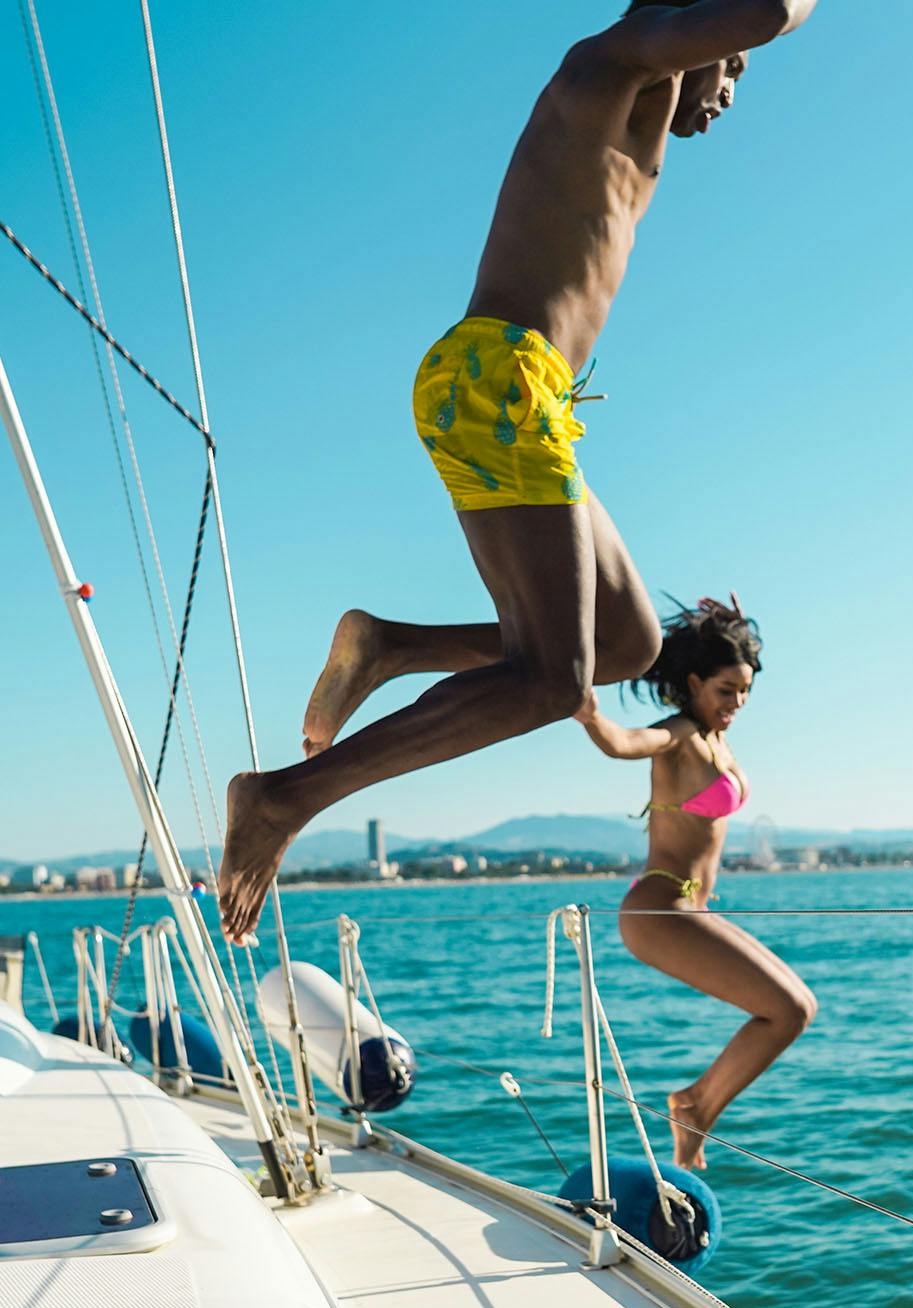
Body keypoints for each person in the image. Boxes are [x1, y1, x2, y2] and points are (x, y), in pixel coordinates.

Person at [215, 0, 819, 941]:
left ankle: (390, 644)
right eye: (730, 64)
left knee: (626, 649)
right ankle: (283, 800)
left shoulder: (633, 118)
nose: (732, 87)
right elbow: (768, 9)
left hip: (520, 391)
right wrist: (756, 24)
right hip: (501, 377)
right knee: (551, 679)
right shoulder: (606, 68)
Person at [575, 597, 814, 1169]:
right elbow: (626, 744)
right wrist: (589, 713)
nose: (737, 703)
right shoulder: (681, 733)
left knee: (799, 1006)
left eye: (745, 691)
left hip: (692, 910)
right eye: (726, 689)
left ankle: (697, 1104)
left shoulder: (717, 740)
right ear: (693, 683)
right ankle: (695, 1105)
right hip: (659, 909)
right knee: (786, 1012)